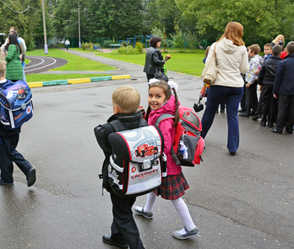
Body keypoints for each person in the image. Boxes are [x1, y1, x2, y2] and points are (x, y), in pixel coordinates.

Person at [133, 80, 199, 240]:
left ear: (167, 97)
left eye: (158, 96)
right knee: (153, 187)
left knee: (175, 198)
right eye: (150, 95)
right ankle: (147, 210)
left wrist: (151, 152)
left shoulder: (163, 119)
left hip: (166, 166)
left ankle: (190, 227)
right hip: (162, 165)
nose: (153, 99)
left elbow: (165, 143)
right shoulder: (159, 113)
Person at [94, 85, 145, 249]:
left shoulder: (110, 129)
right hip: (138, 177)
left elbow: (102, 141)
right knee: (123, 208)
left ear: (116, 108)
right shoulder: (143, 122)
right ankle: (117, 237)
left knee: (123, 215)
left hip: (120, 178)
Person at [201, 22, 249, 156]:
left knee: (209, 112)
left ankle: (199, 139)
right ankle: (233, 146)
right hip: (236, 85)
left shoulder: (216, 45)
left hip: (218, 83)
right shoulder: (242, 48)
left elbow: (208, 61)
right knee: (233, 115)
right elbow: (244, 69)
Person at [271, 41, 294, 134]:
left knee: (282, 109)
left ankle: (279, 128)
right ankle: (289, 128)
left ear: (286, 50)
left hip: (284, 89)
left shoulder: (283, 63)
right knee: (292, 109)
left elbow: (278, 78)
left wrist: (275, 90)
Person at [257, 45, 282, 127]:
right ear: (280, 53)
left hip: (266, 83)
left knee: (265, 102)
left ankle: (263, 120)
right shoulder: (281, 63)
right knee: (273, 103)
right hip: (275, 84)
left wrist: (260, 83)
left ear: (272, 52)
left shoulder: (266, 62)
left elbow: (261, 74)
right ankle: (270, 121)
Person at [240, 44, 262, 117]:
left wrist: (249, 82)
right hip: (254, 80)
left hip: (251, 80)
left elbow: (252, 72)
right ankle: (254, 109)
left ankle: (247, 111)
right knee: (253, 96)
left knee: (248, 97)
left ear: (253, 52)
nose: (248, 52)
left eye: (249, 51)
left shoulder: (254, 60)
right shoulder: (259, 58)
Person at [252, 43, 273, 121]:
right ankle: (259, 113)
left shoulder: (269, 58)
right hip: (265, 80)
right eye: (265, 49)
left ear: (271, 50)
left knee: (263, 99)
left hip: (267, 80)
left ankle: (260, 114)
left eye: (268, 49)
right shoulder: (264, 57)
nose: (266, 51)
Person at [203, 46, 225, 113]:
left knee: (214, 93)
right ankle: (220, 107)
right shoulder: (209, 59)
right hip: (216, 77)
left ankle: (218, 108)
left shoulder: (211, 59)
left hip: (213, 77)